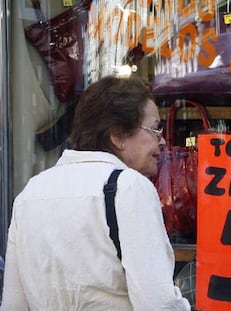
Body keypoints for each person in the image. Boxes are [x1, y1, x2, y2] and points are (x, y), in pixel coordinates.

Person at [0, 75, 191, 311]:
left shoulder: (30, 194)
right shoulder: (129, 187)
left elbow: (13, 305)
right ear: (118, 137)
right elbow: (158, 303)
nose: (161, 140)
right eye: (154, 129)